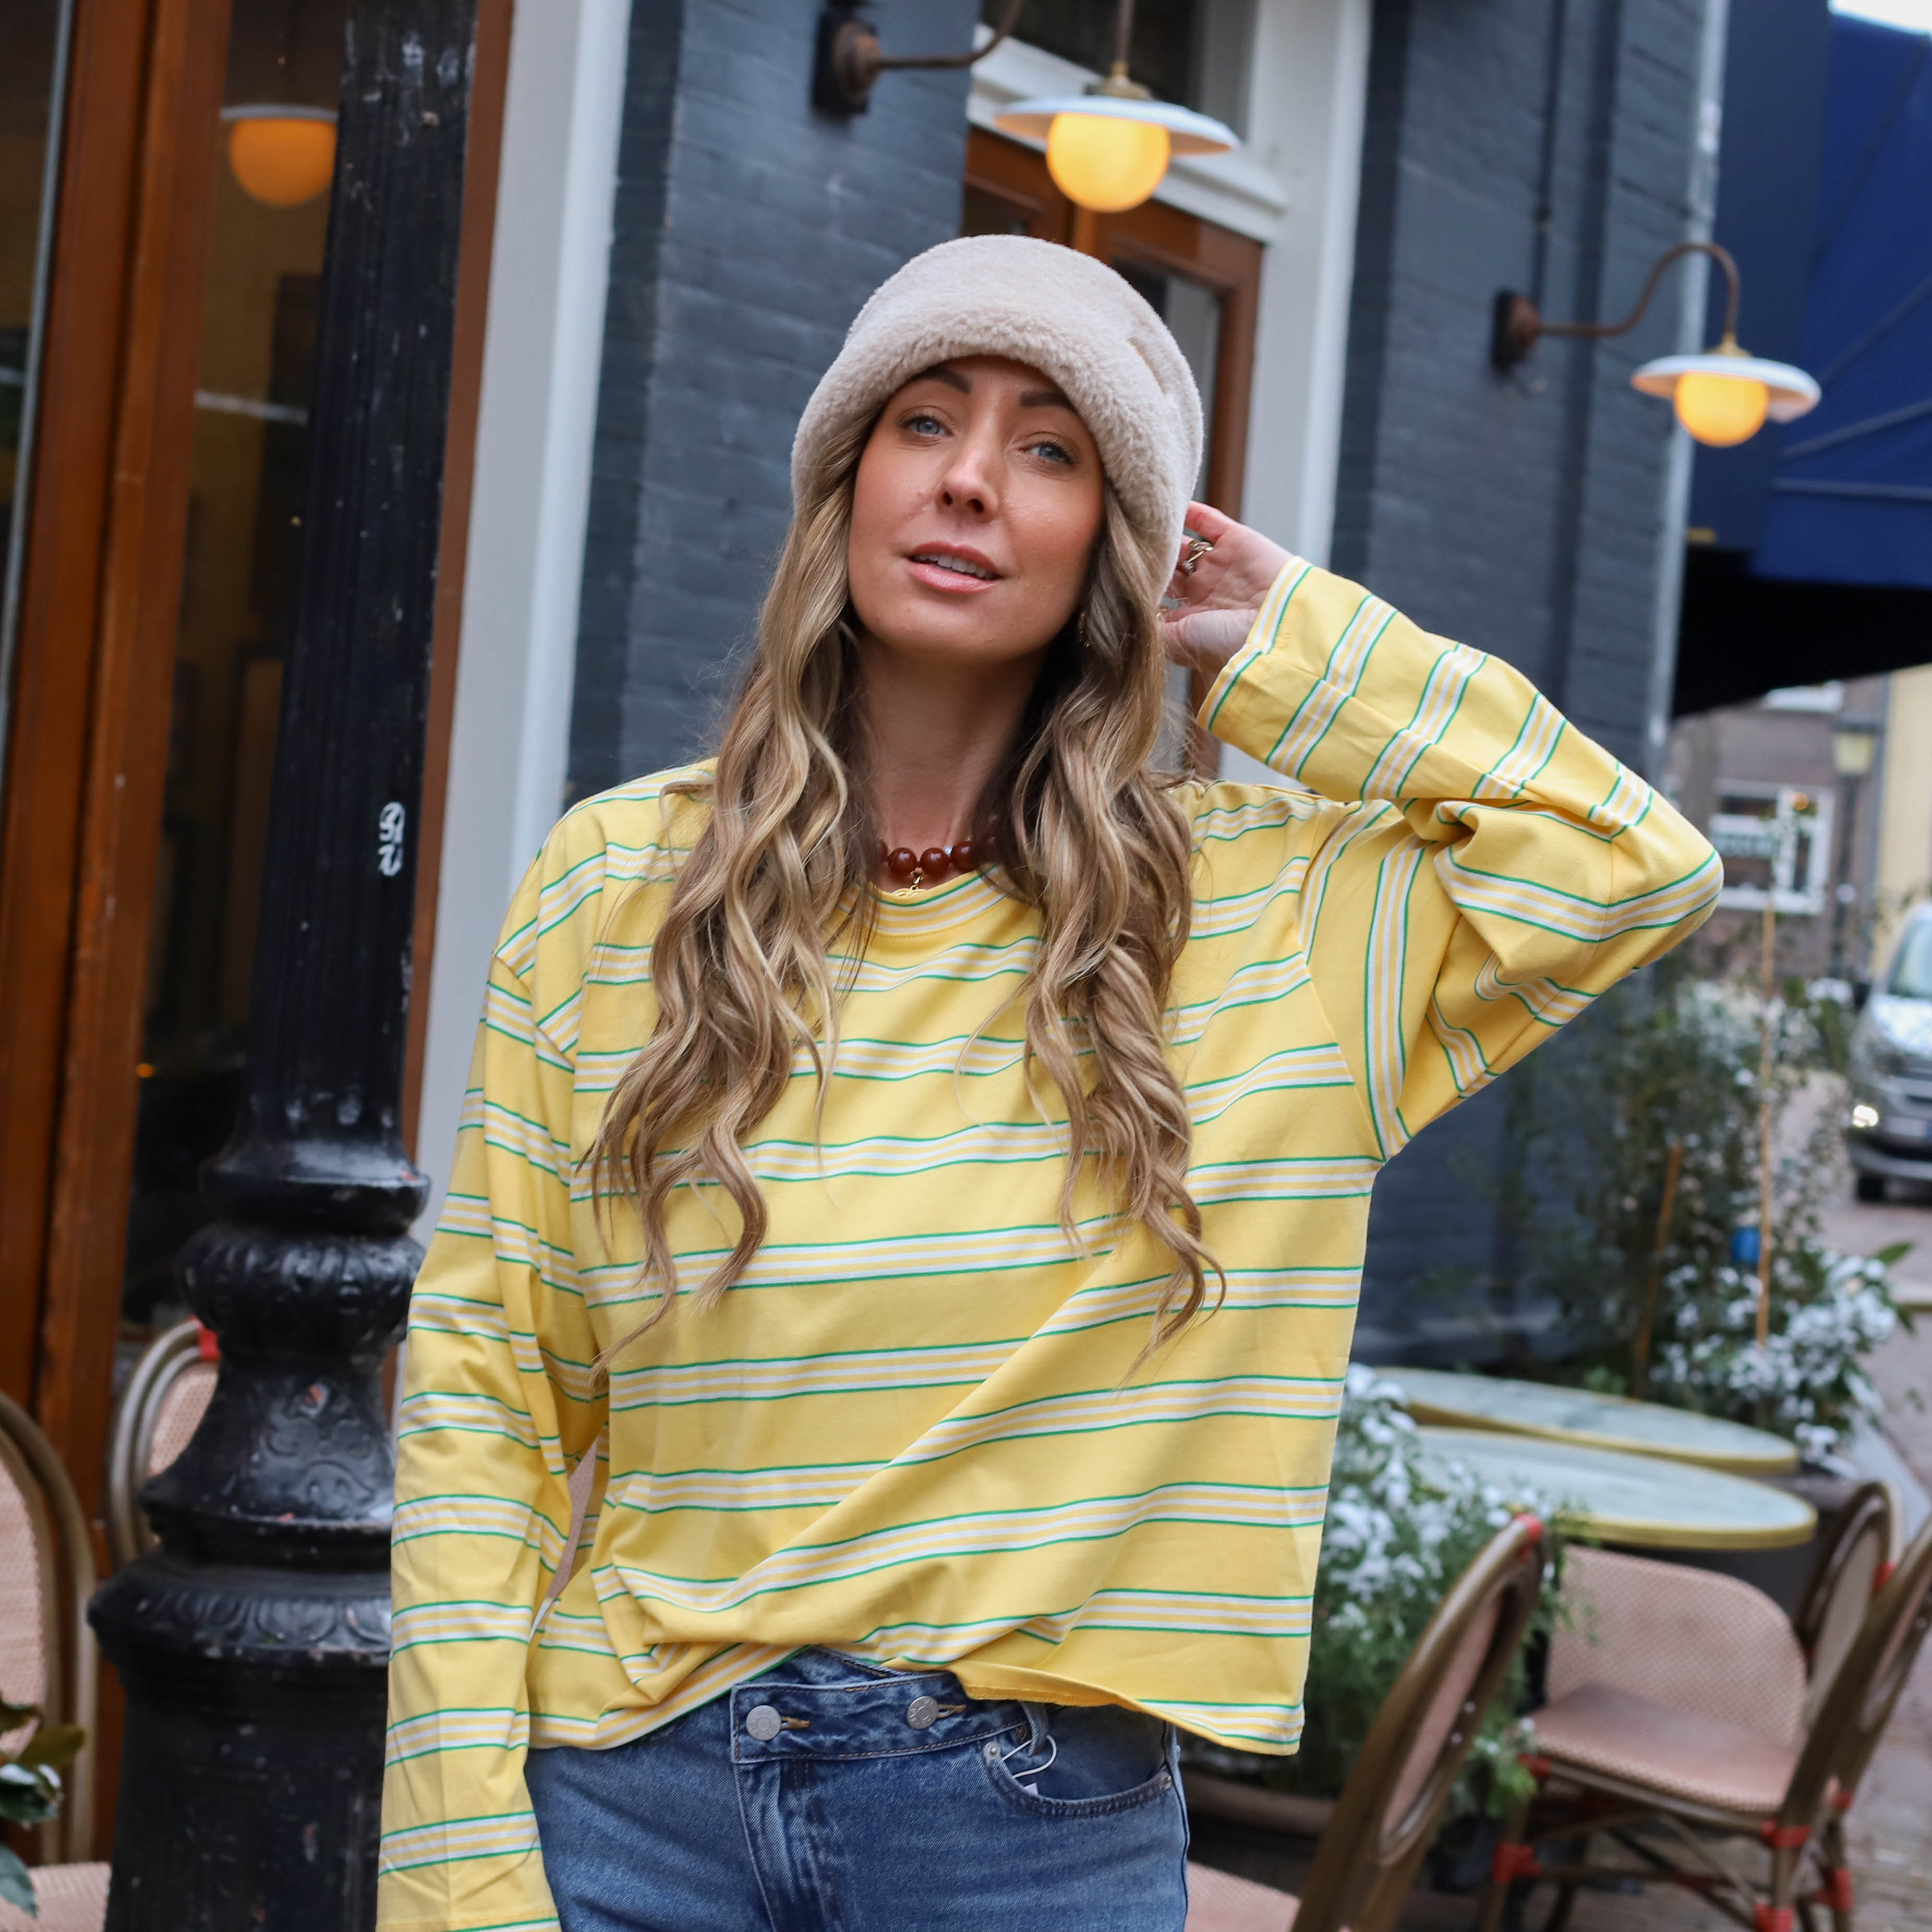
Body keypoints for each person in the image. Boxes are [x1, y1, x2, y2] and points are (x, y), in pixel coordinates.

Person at [378, 236, 1719, 1932]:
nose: (968, 481)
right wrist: (454, 1867)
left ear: (1113, 548)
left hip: (1021, 1843)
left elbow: (1632, 864)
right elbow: (489, 1396)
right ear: (846, 482)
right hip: (627, 1808)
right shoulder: (617, 882)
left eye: (1050, 450)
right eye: (924, 421)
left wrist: (1290, 642)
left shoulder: (1265, 918)